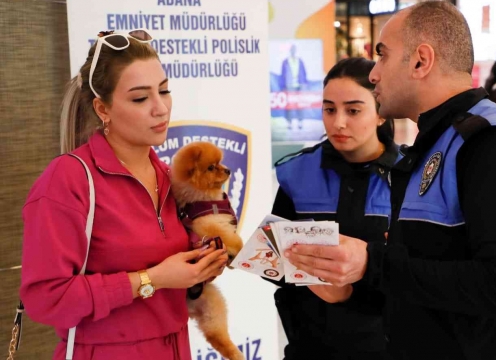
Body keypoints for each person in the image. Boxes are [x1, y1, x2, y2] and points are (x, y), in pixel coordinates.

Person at [283, 2, 496, 359]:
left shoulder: (492, 144)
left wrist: (371, 262)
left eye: (382, 56)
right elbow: (428, 279)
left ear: (420, 61)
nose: (374, 74)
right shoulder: (437, 142)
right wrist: (353, 288)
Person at [19, 30, 228, 359]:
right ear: (103, 108)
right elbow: (48, 300)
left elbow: (174, 273)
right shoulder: (68, 179)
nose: (161, 108)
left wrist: (200, 268)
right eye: (140, 98)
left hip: (175, 348)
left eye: (164, 90)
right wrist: (153, 279)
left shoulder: (168, 177)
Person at [271, 57, 397, 360]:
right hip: (308, 347)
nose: (338, 122)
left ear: (381, 112)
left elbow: (421, 273)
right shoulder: (298, 172)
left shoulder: (411, 177)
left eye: (353, 110)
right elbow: (271, 255)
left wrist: (352, 291)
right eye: (329, 109)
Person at [281, 44, 308, 130]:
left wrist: (304, 83)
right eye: (291, 49)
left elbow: (304, 73)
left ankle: (300, 122)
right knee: (289, 105)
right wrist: (283, 86)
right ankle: (289, 122)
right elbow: (283, 75)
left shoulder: (300, 61)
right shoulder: (286, 61)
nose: (293, 51)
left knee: (299, 104)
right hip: (289, 86)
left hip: (299, 85)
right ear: (290, 51)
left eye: (294, 49)